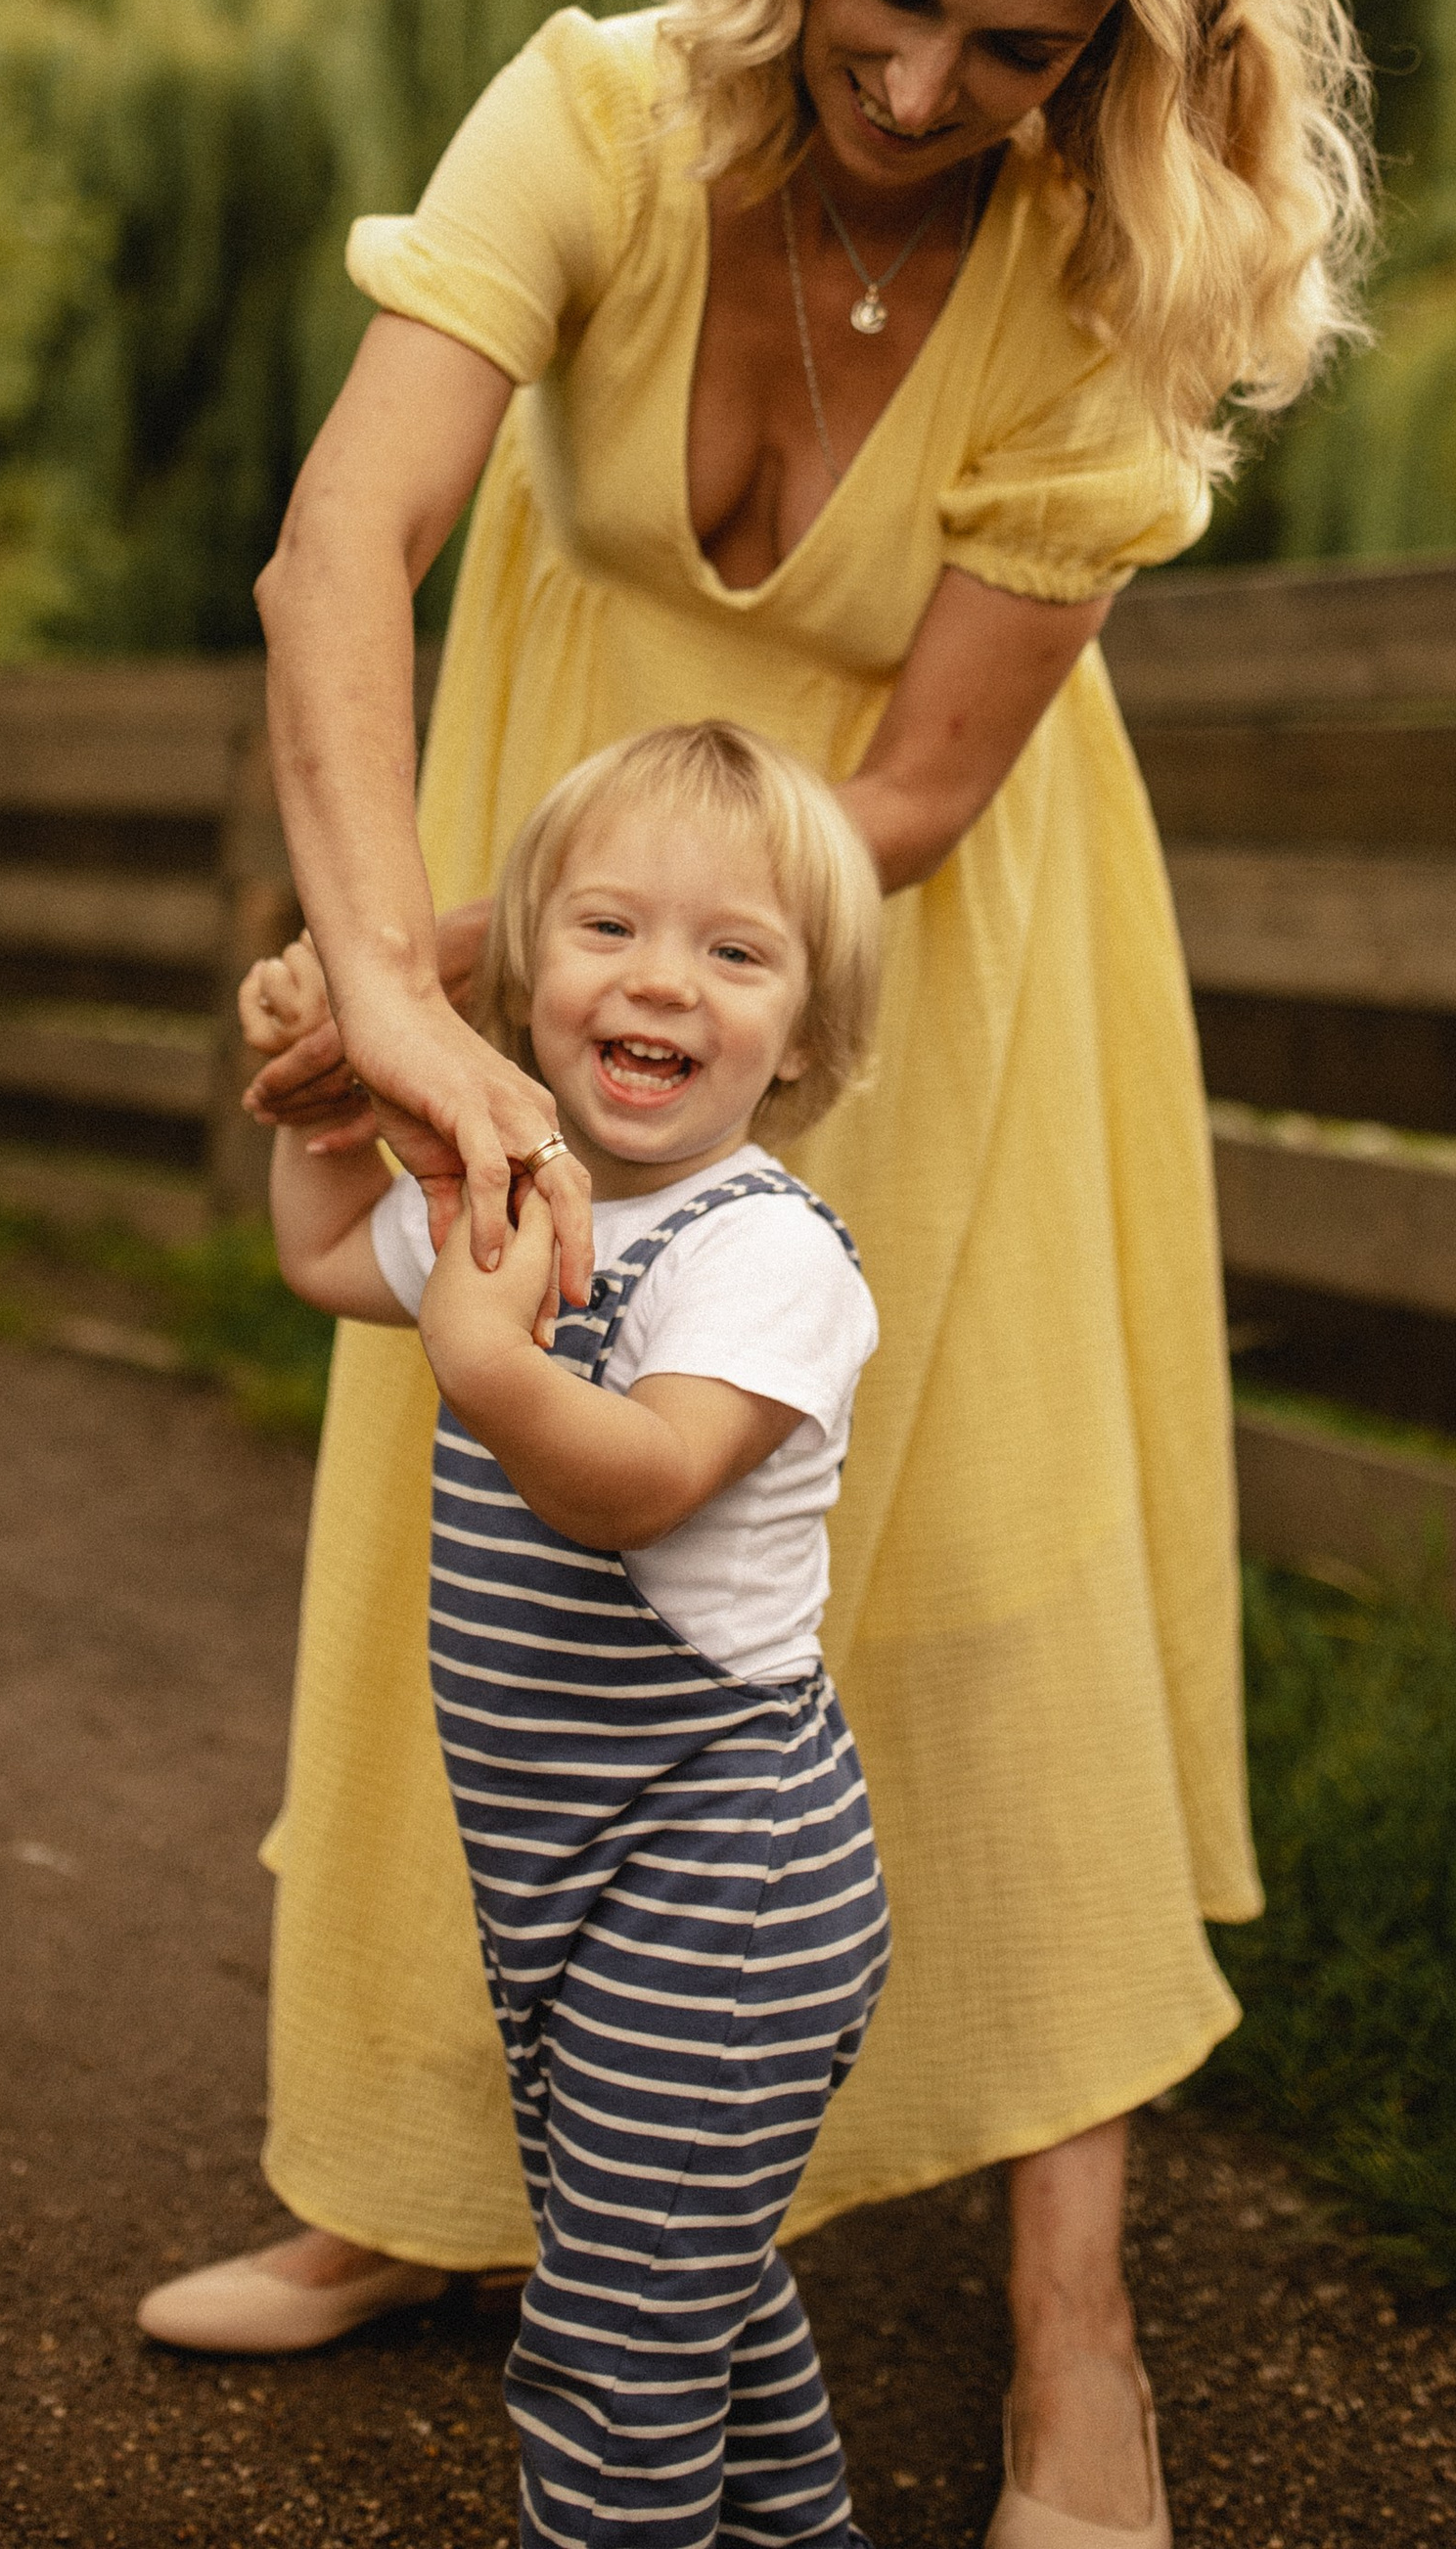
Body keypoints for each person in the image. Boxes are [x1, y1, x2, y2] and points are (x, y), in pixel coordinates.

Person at [141, 0, 1370, 2543]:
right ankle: (420, 2184)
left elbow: (914, 789)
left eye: (1017, 49)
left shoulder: (1111, 276)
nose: (922, 87)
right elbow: (342, 544)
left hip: (896, 942)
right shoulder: (593, 117)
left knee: (984, 1563)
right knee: (488, 1507)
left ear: (1113, 59)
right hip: (548, 888)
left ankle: (1077, 2338)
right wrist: (399, 981)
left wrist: (483, 957)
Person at [246, 719, 893, 2549]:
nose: (661, 978)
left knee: (610, 2355)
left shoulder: (766, 1256)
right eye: (609, 927)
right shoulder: (509, 1199)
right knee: (688, 2290)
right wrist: (330, 1099)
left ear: (805, 1035)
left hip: (726, 1886)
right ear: (523, 979)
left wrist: (488, 1361)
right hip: (581, 1887)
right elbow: (322, 1256)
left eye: (735, 950)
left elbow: (642, 1485)